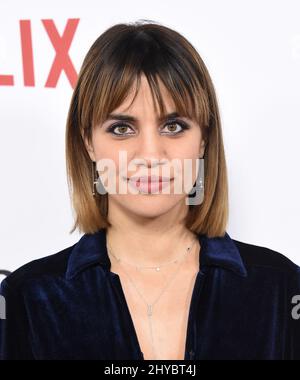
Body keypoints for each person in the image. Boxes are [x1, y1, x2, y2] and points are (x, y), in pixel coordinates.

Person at [1, 20, 299, 360]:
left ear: (203, 139)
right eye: (122, 128)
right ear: (88, 143)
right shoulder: (28, 298)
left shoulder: (281, 288)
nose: (150, 155)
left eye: (173, 126)